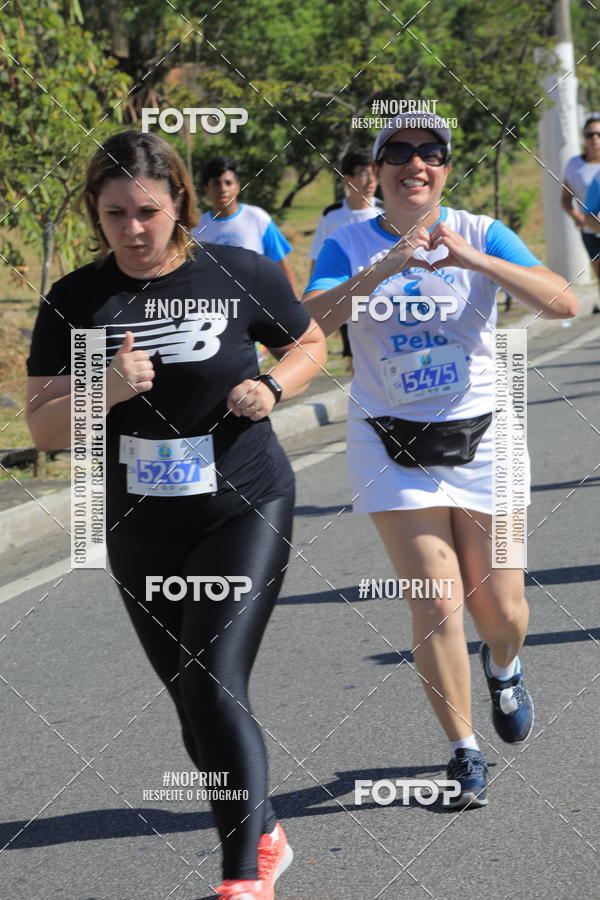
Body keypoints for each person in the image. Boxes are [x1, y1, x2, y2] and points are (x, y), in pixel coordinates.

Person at [26, 129, 326, 899]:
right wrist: (113, 388)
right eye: (115, 212)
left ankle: (242, 881)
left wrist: (277, 388)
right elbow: (42, 427)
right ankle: (261, 828)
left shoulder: (237, 272)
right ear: (95, 212)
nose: (133, 228)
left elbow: (310, 341)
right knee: (191, 709)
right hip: (139, 522)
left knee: (214, 681)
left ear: (180, 205)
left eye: (148, 211)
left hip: (243, 504)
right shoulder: (75, 300)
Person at [304, 112, 577, 808]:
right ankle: (464, 752)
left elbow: (563, 302)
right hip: (387, 439)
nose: (414, 163)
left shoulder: (482, 230)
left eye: (431, 153)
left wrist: (474, 261)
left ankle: (505, 665)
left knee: (502, 611)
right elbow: (309, 322)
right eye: (398, 152)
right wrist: (382, 268)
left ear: (446, 168)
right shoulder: (347, 238)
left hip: (487, 437)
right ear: (377, 170)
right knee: (434, 592)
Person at [309, 148, 383, 371]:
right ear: (348, 180)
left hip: (377, 297)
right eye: (362, 173)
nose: (370, 180)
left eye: (374, 172)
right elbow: (317, 256)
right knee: (355, 362)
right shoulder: (331, 215)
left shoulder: (385, 212)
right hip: (342, 296)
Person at [192, 156, 299, 297]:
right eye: (216, 184)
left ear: (237, 186)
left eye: (228, 183)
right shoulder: (196, 229)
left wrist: (297, 304)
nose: (223, 189)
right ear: (207, 189)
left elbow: (281, 264)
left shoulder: (258, 219)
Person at [562, 113, 600, 313]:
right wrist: (577, 217)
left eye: (599, 134)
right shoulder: (575, 165)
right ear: (584, 138)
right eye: (590, 134)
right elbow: (565, 200)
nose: (595, 138)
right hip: (590, 229)